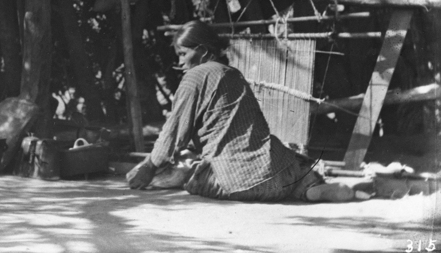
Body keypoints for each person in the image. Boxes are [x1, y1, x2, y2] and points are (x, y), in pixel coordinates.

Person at [126, 20, 357, 202]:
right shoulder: (234, 74)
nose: (181, 62)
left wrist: (148, 167)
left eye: (183, 54)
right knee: (294, 172)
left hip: (231, 182)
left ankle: (306, 191)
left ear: (203, 51)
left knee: (189, 172)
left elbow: (173, 132)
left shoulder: (194, 77)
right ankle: (309, 191)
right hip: (277, 170)